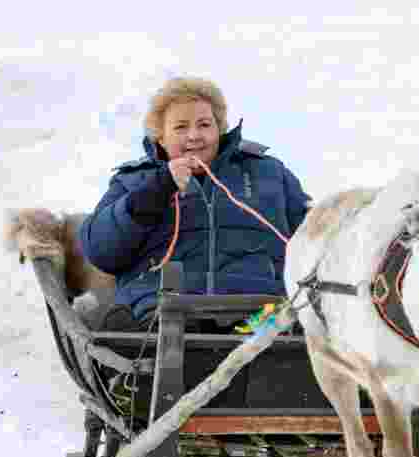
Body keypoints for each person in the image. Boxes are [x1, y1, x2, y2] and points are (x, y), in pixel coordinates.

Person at [79, 76, 311, 331]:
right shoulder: (133, 182)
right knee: (165, 340)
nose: (194, 136)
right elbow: (100, 251)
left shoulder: (268, 173)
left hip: (259, 312)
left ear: (219, 129)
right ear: (161, 137)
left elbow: (313, 238)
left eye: (204, 124)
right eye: (180, 127)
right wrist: (156, 190)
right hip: (164, 312)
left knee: (276, 338)